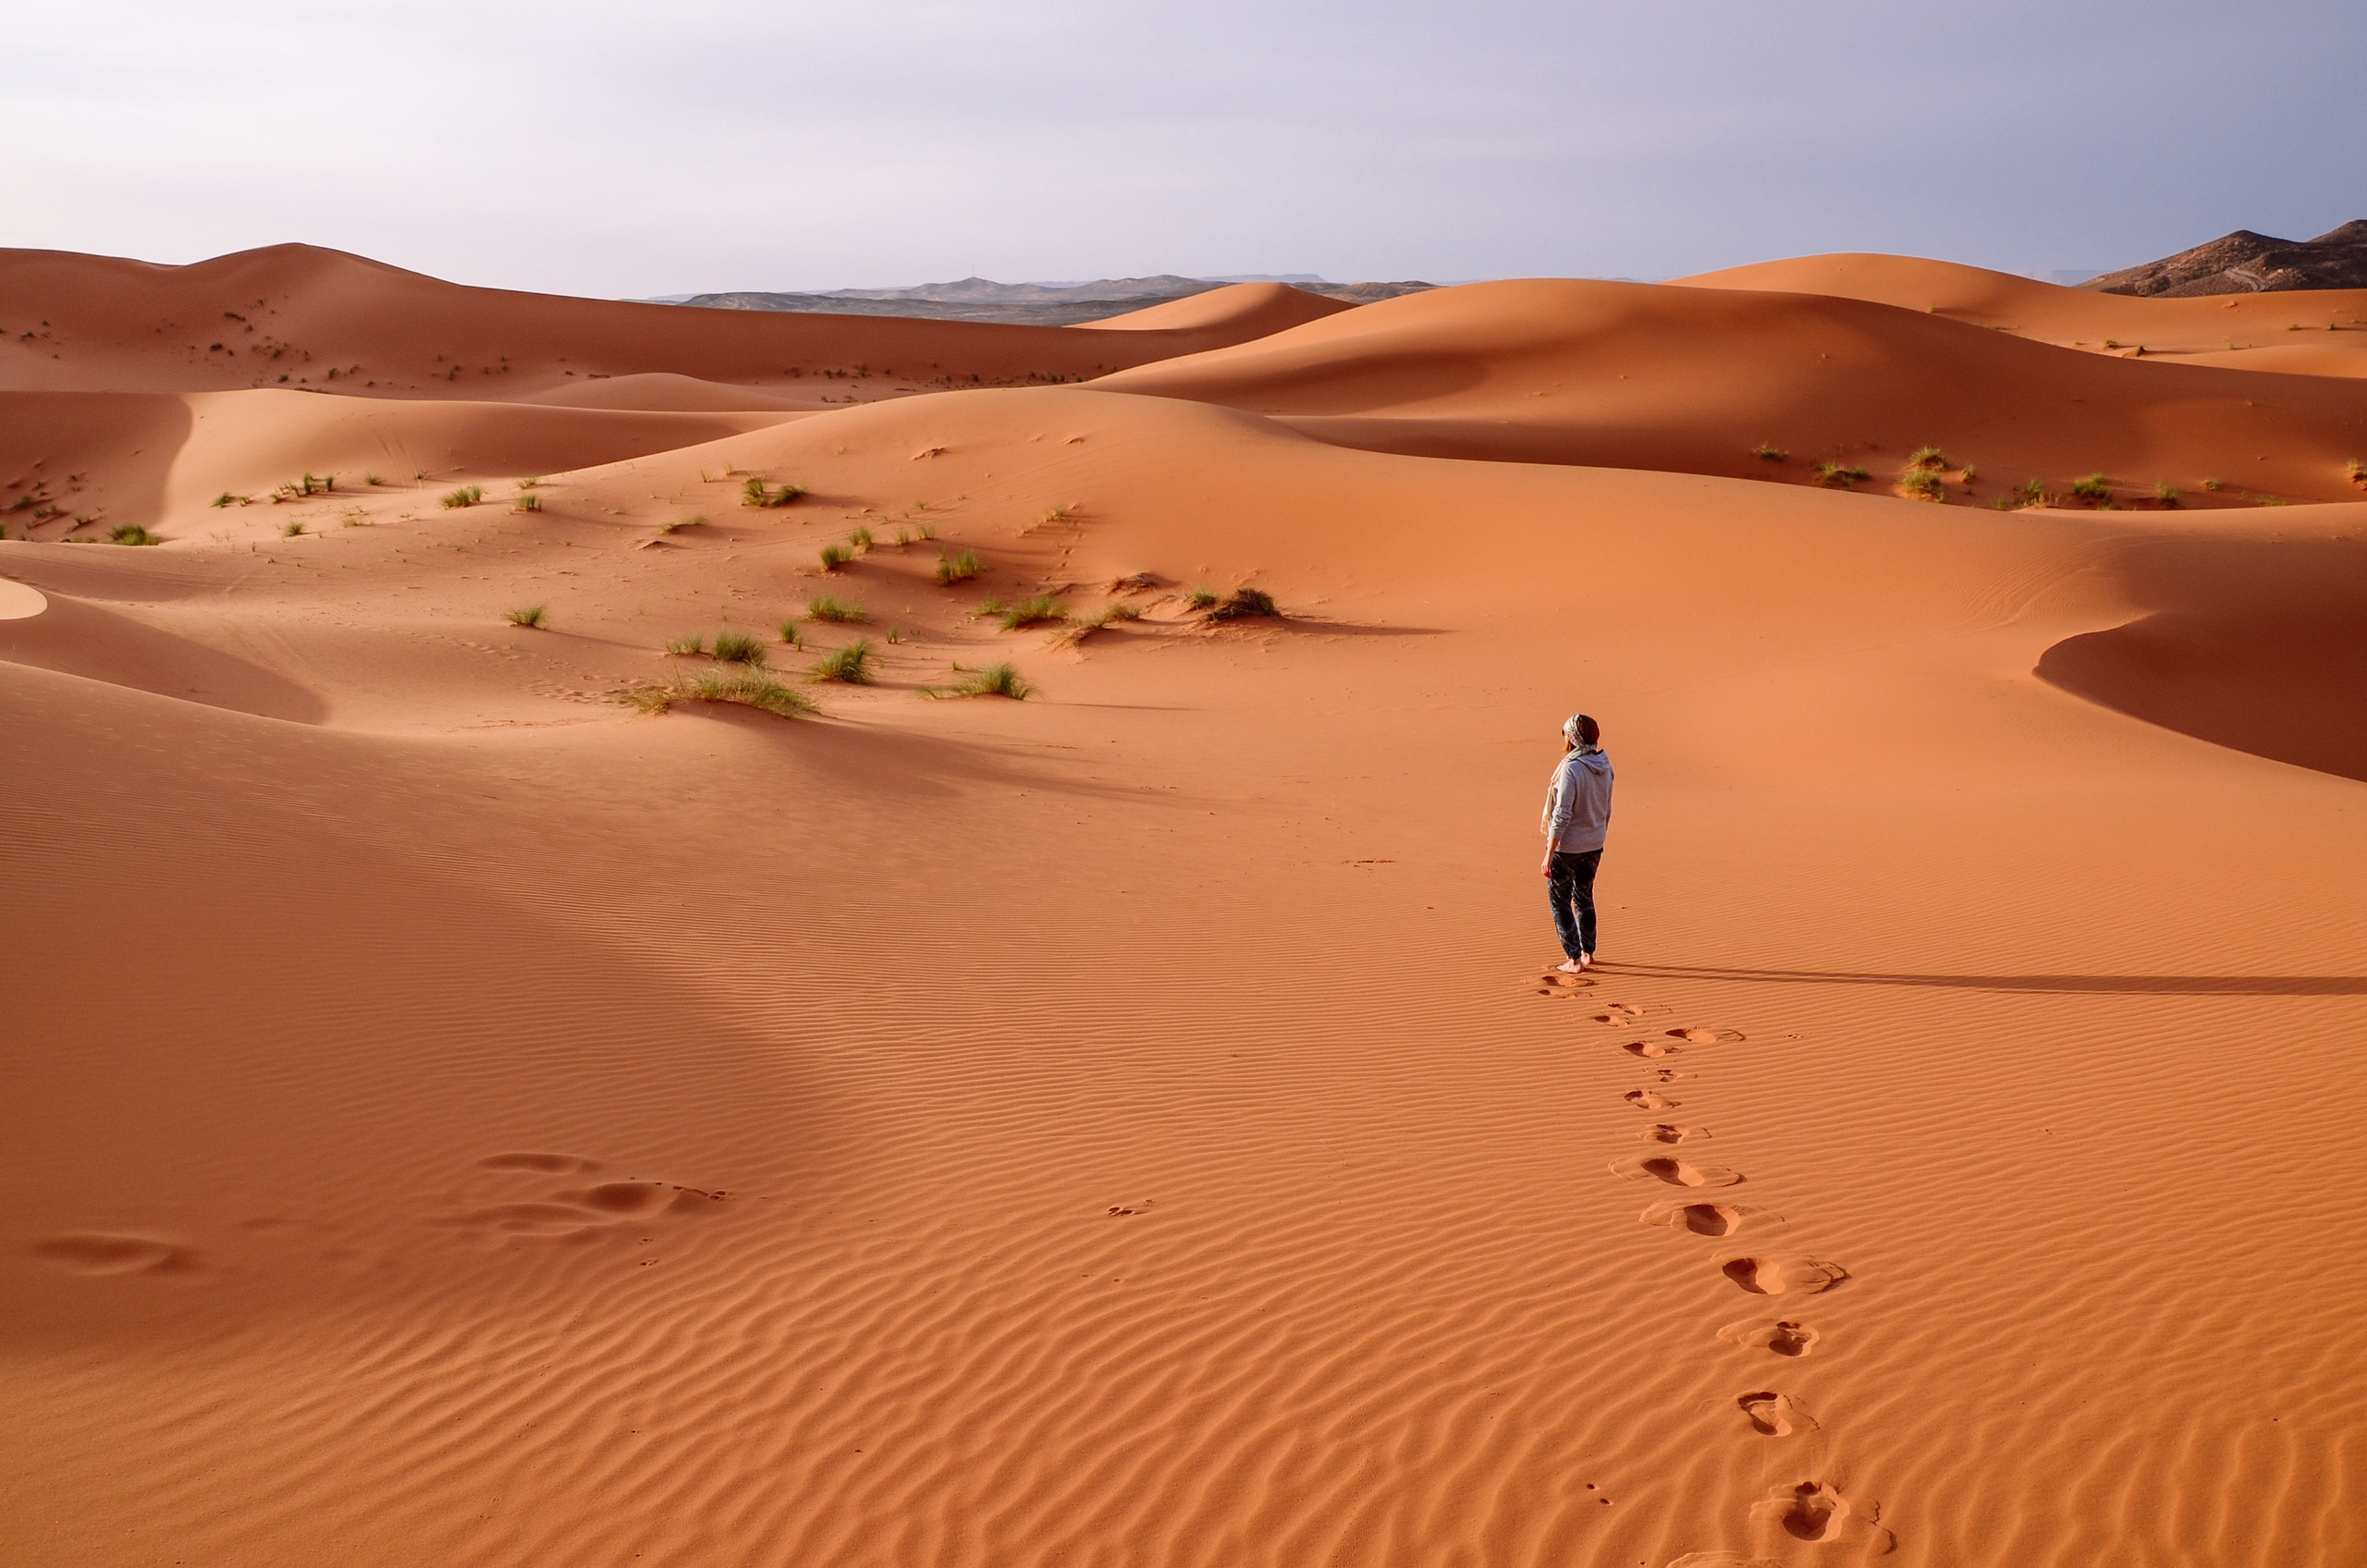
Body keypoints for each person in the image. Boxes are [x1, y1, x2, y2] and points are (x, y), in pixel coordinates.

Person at [1540, 713, 1613, 973]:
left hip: (1569, 847)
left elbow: (1562, 813)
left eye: (1565, 733)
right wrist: (1598, 834)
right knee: (1584, 897)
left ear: (1572, 737)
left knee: (1559, 899)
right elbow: (1607, 808)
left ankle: (1573, 959)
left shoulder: (1571, 769)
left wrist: (1549, 853)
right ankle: (1588, 953)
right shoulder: (1604, 764)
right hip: (1594, 844)